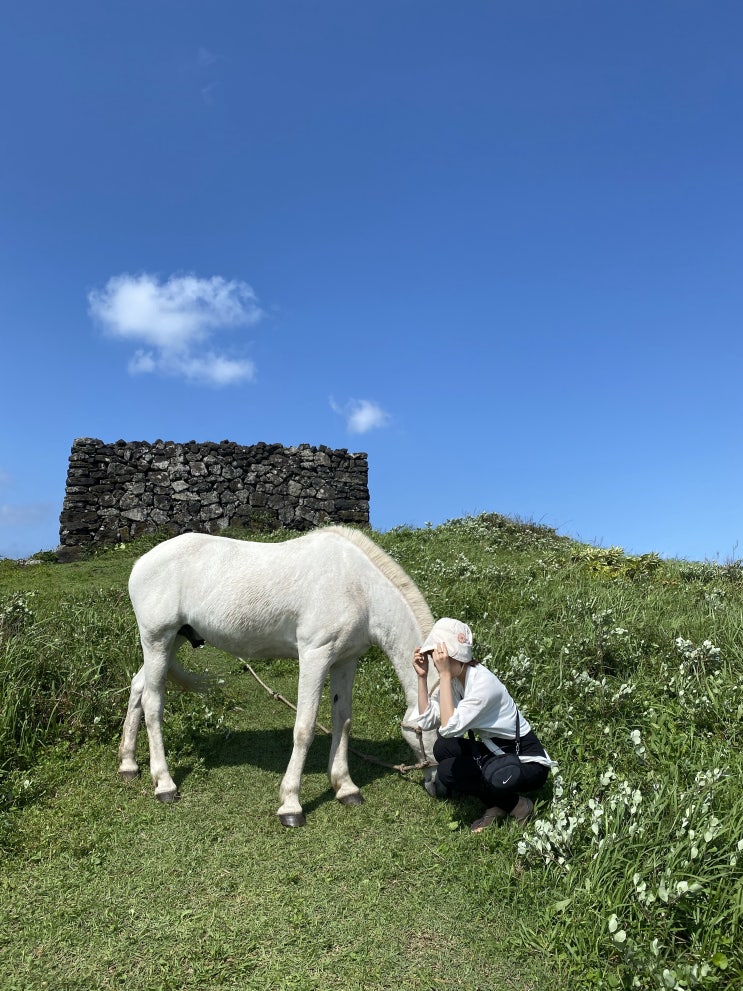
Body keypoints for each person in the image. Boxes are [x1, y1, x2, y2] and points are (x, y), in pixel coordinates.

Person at [413, 617, 555, 832]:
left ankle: (519, 806)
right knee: (442, 748)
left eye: (439, 655)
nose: (435, 660)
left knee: (448, 771)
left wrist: (442, 674)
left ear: (455, 654)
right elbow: (426, 720)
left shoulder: (483, 685)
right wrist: (422, 678)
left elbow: (450, 727)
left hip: (527, 762)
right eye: (434, 655)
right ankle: (496, 804)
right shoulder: (455, 680)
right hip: (497, 750)